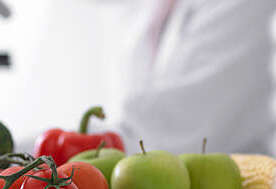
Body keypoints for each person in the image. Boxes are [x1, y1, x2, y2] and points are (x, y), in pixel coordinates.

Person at [112, 0, 276, 155]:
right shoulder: (155, 8)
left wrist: (92, 138)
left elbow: (178, 128)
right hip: (163, 166)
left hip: (229, 170)